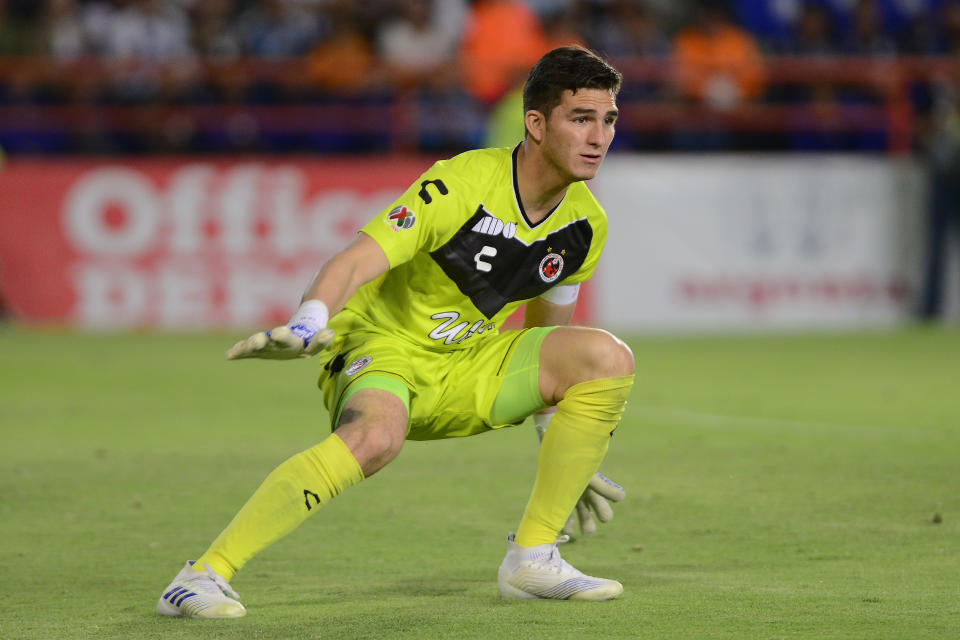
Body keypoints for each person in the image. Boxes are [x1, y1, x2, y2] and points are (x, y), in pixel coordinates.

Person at [156, 45, 635, 619]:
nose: (598, 137)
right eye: (580, 118)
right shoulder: (461, 182)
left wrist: (563, 449)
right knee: (376, 440)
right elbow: (357, 260)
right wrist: (309, 321)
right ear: (536, 124)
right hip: (383, 348)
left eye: (607, 120)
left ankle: (532, 558)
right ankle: (200, 577)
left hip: (466, 363)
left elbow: (547, 337)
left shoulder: (586, 224)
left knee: (606, 357)